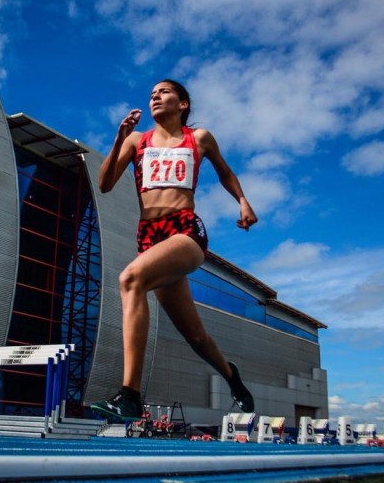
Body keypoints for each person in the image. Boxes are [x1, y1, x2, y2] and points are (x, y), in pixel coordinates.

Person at [91, 79, 259, 422]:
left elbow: (225, 172)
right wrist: (119, 139)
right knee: (196, 337)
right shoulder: (138, 141)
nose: (155, 96)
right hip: (150, 235)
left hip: (184, 229)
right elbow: (105, 184)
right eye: (152, 93)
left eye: (164, 92)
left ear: (183, 104)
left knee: (131, 279)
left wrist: (242, 201)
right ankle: (232, 376)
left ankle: (130, 395)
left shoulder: (198, 138)